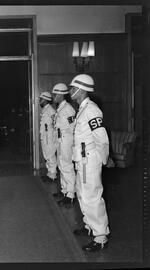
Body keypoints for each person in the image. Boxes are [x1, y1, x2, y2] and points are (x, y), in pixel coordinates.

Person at [69, 74, 110, 252]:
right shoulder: (82, 109)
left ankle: (100, 236)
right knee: (82, 194)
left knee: (92, 197)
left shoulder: (92, 110)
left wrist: (103, 159)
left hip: (89, 161)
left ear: (82, 90)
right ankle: (89, 226)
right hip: (81, 159)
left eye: (73, 88)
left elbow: (102, 138)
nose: (70, 91)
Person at [51, 83, 76, 206]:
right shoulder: (60, 108)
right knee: (61, 166)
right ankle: (64, 190)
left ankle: (70, 193)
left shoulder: (68, 109)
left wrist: (71, 144)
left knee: (67, 166)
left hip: (66, 141)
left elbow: (73, 128)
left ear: (61, 95)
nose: (53, 96)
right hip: (60, 141)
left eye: (55, 94)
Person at [39, 92, 57, 183]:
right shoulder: (45, 110)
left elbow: (54, 125)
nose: (39, 101)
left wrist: (52, 137)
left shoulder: (51, 111)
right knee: (47, 156)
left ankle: (53, 175)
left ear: (46, 100)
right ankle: (50, 173)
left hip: (49, 137)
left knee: (50, 155)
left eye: (41, 99)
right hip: (45, 136)